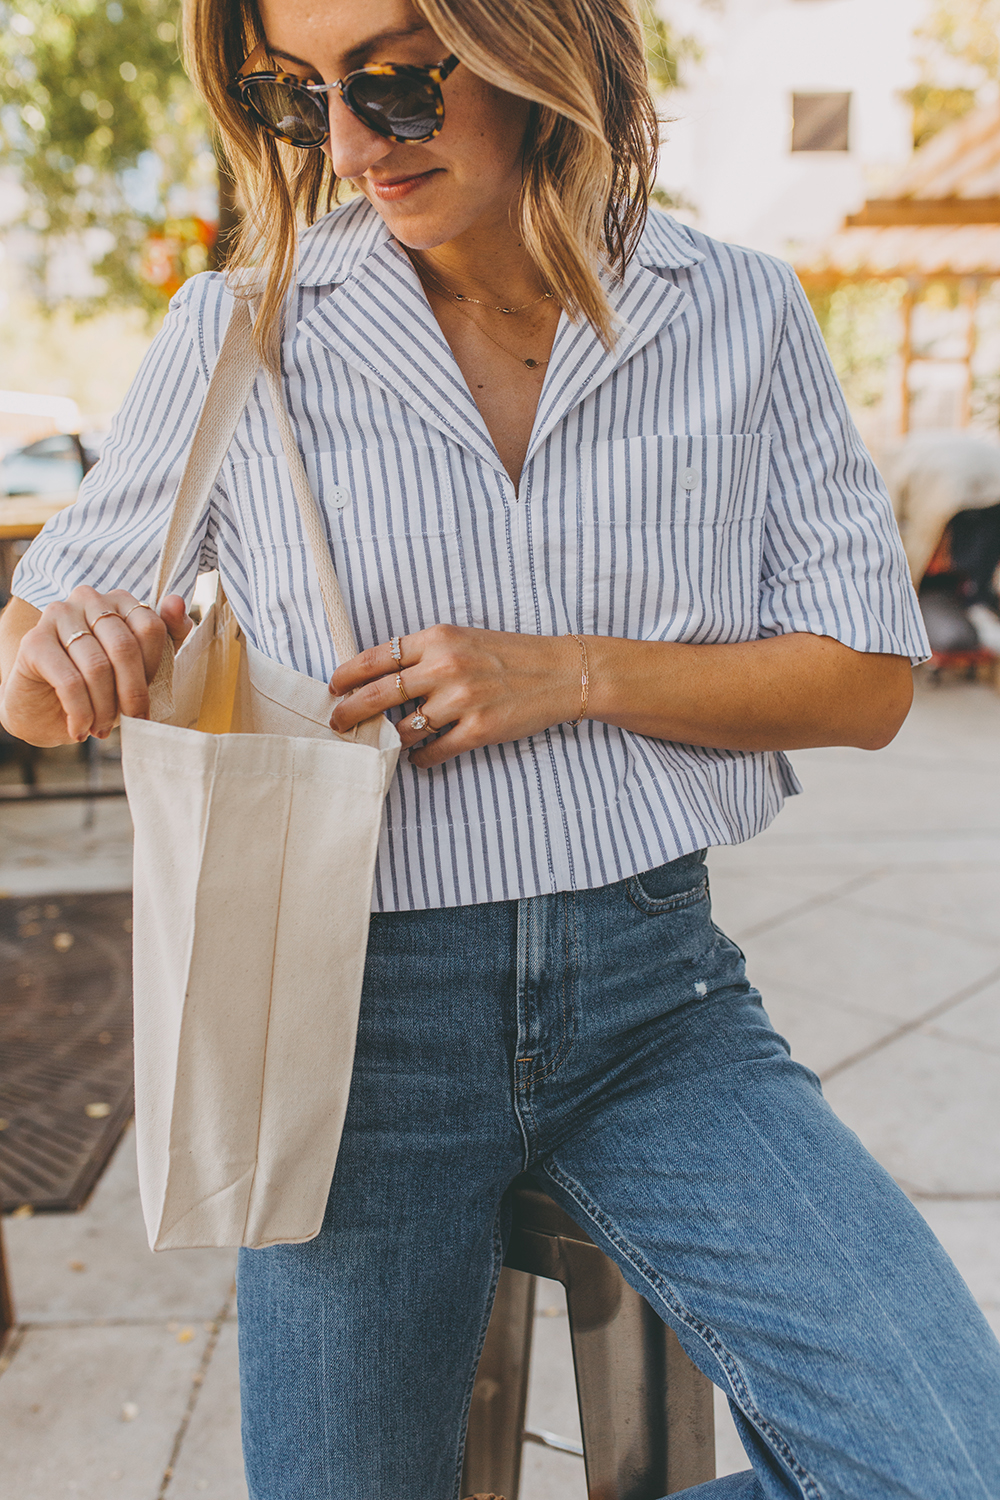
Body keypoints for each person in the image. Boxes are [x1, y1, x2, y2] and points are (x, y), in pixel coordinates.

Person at [1, 0, 998, 1493]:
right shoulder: (248, 325)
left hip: (659, 1001)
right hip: (342, 1030)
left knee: (949, 1462)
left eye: (396, 82)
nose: (346, 145)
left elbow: (863, 678)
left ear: (538, 47)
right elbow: (34, 663)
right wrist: (57, 660)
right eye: (299, 98)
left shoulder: (737, 312)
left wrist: (575, 673)